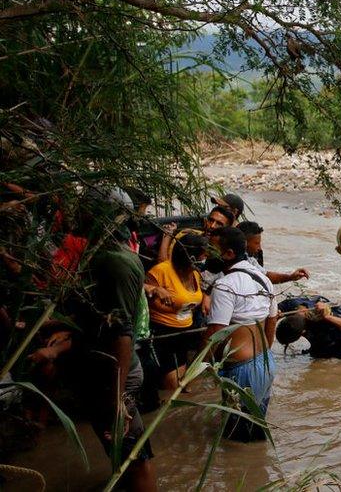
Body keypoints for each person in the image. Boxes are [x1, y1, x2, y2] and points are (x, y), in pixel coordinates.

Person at [72, 190, 157, 490]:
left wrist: (118, 399)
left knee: (134, 455)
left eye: (85, 210)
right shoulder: (101, 253)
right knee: (121, 454)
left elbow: (122, 332)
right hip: (105, 371)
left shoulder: (116, 261)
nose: (78, 214)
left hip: (116, 375)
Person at [204, 227, 277, 442]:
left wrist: (197, 371)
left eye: (212, 249)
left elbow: (215, 333)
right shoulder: (263, 279)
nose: (207, 254)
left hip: (241, 371)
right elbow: (271, 322)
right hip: (265, 363)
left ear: (228, 254)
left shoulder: (225, 285)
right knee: (255, 433)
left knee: (237, 438)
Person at [146, 234, 207, 390]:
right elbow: (139, 287)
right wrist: (154, 288)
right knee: (171, 384)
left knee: (182, 382)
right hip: (162, 332)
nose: (205, 258)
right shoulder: (161, 271)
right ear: (191, 256)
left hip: (185, 332)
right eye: (203, 254)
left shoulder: (194, 274)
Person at [275, 297, 341, 359]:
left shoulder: (324, 319)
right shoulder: (291, 306)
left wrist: (328, 317)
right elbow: (272, 311)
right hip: (318, 342)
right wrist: (275, 315)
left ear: (303, 332)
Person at [237, 221, 309, 284]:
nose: (259, 248)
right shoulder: (234, 262)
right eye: (256, 243)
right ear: (244, 242)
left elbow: (266, 276)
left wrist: (291, 277)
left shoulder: (249, 259)